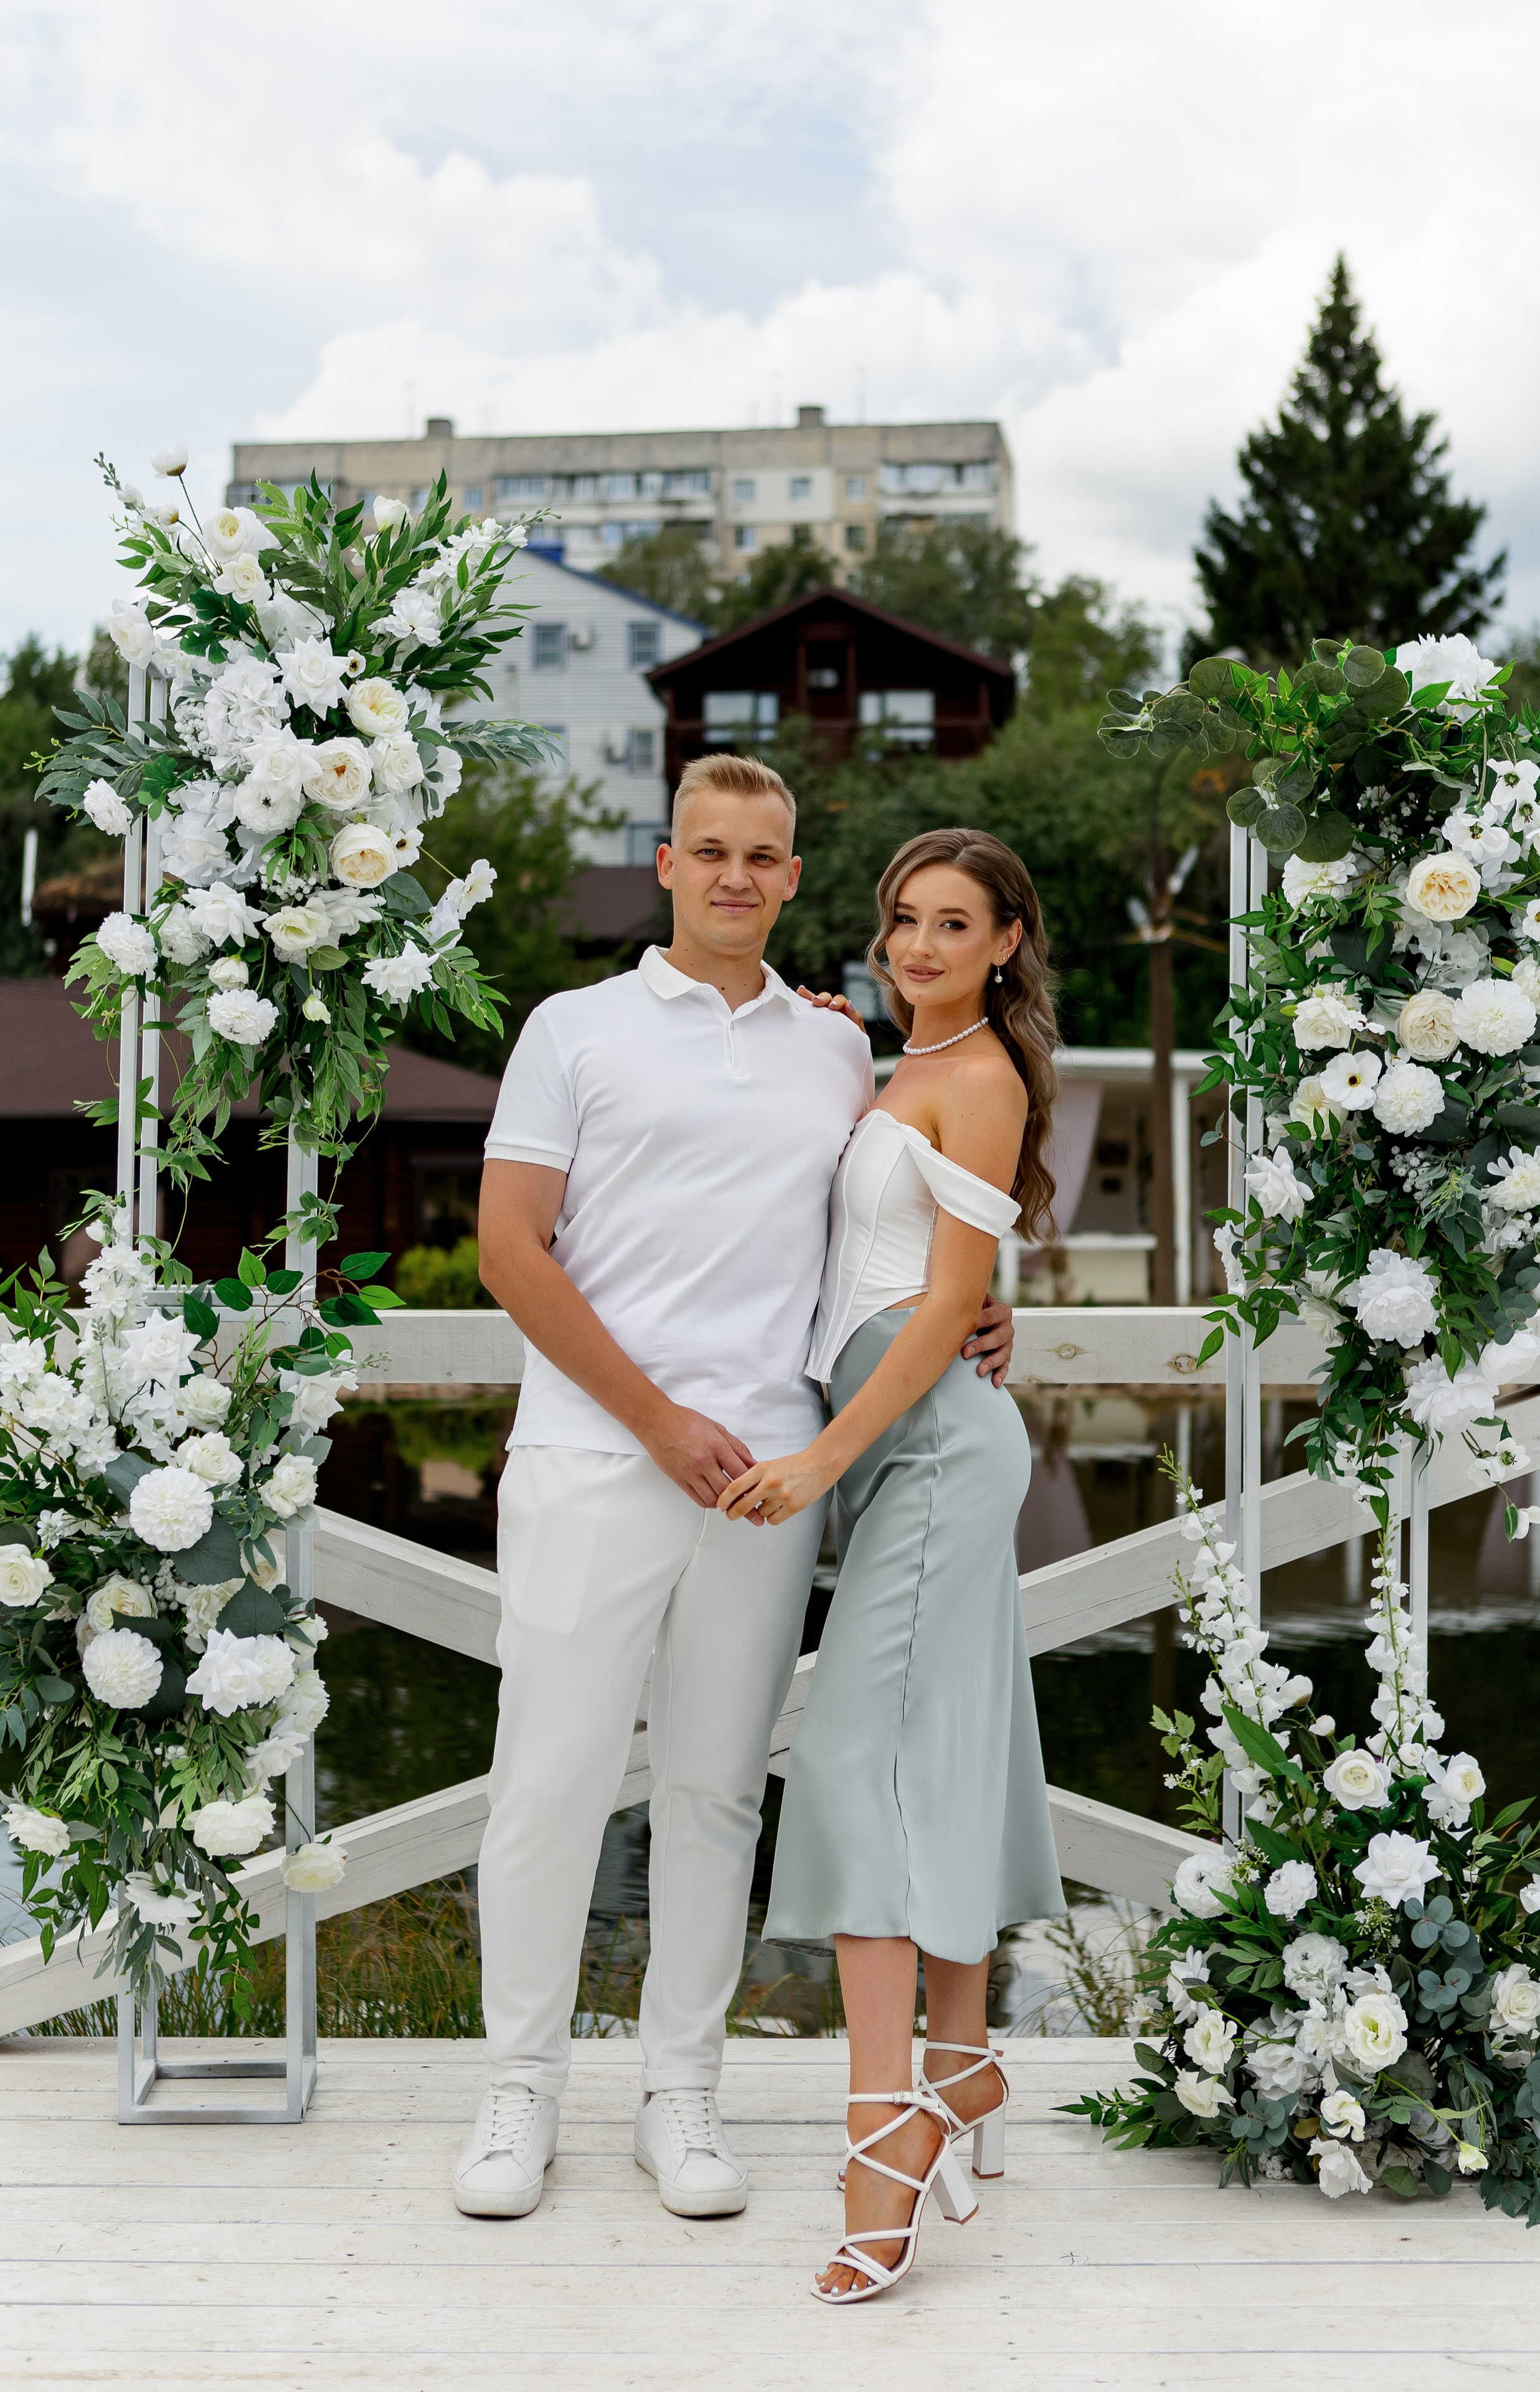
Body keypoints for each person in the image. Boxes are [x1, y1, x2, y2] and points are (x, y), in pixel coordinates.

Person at [452, 756, 1014, 2224]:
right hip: (591, 1456)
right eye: (709, 851)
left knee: (713, 1793)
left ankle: (679, 2094)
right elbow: (511, 1248)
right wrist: (649, 1419)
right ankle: (519, 2090)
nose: (735, 877)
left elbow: (907, 1215)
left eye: (764, 855)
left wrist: (980, 1309)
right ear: (662, 862)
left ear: (790, 877)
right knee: (550, 1783)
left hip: (768, 1477)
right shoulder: (571, 1030)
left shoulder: (837, 1048)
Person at [719, 826, 1065, 2304]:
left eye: (950, 924)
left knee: (854, 1760)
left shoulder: (979, 1077)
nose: (915, 945)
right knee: (949, 1748)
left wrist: (822, 1458)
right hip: (918, 1441)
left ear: (1004, 943)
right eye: (900, 921)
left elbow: (940, 1312)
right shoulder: (886, 1062)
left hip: (919, 1450)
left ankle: (886, 2137)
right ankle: (964, 2057)